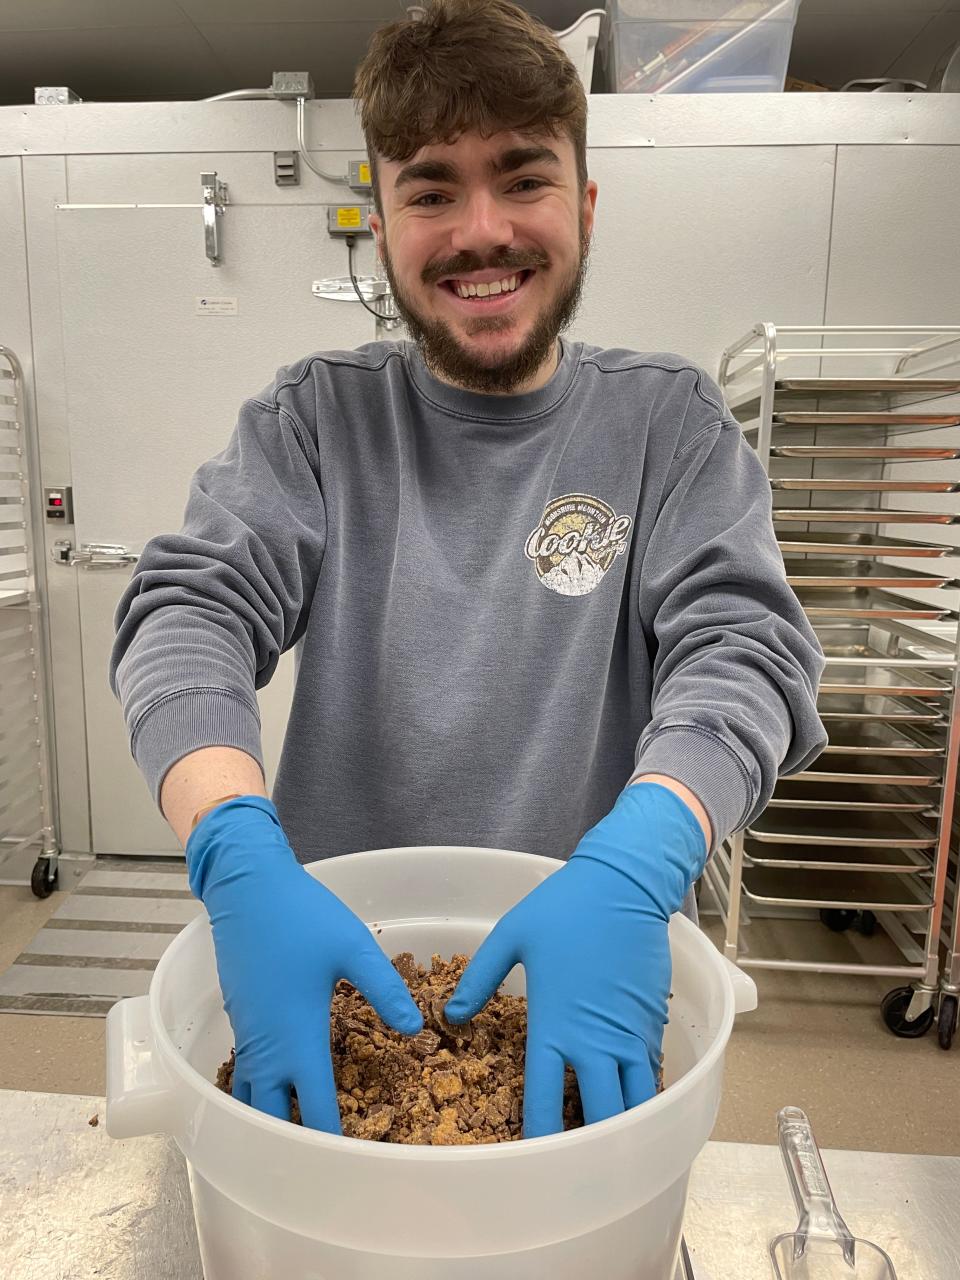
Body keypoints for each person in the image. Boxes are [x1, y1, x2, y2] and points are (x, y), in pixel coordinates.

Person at [109, 0, 827, 1141]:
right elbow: (190, 610)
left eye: (524, 176)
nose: (480, 229)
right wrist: (234, 847)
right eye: (431, 189)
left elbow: (744, 649)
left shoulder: (668, 422)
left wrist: (644, 858)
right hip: (341, 994)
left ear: (585, 207)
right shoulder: (315, 422)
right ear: (381, 222)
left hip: (590, 994)